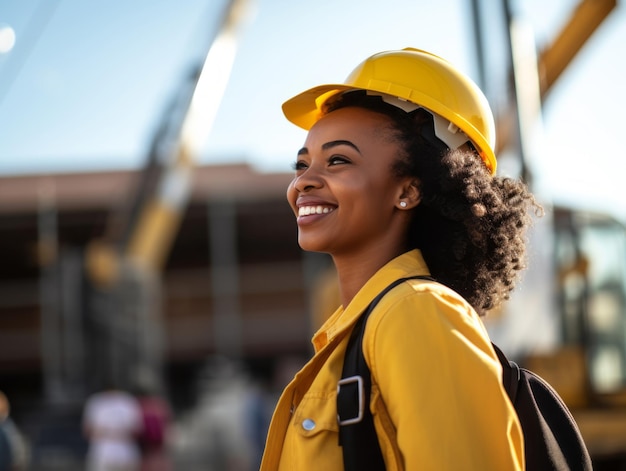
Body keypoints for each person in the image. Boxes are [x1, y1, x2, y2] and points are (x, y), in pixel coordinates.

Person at [260, 48, 540, 470]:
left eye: (338, 160)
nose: (304, 182)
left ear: (408, 191)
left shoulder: (416, 312)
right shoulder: (362, 329)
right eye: (302, 163)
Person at [83, 385, 143, 471]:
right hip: (105, 455)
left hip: (119, 455)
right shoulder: (96, 401)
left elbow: (136, 431)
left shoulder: (128, 401)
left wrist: (106, 432)